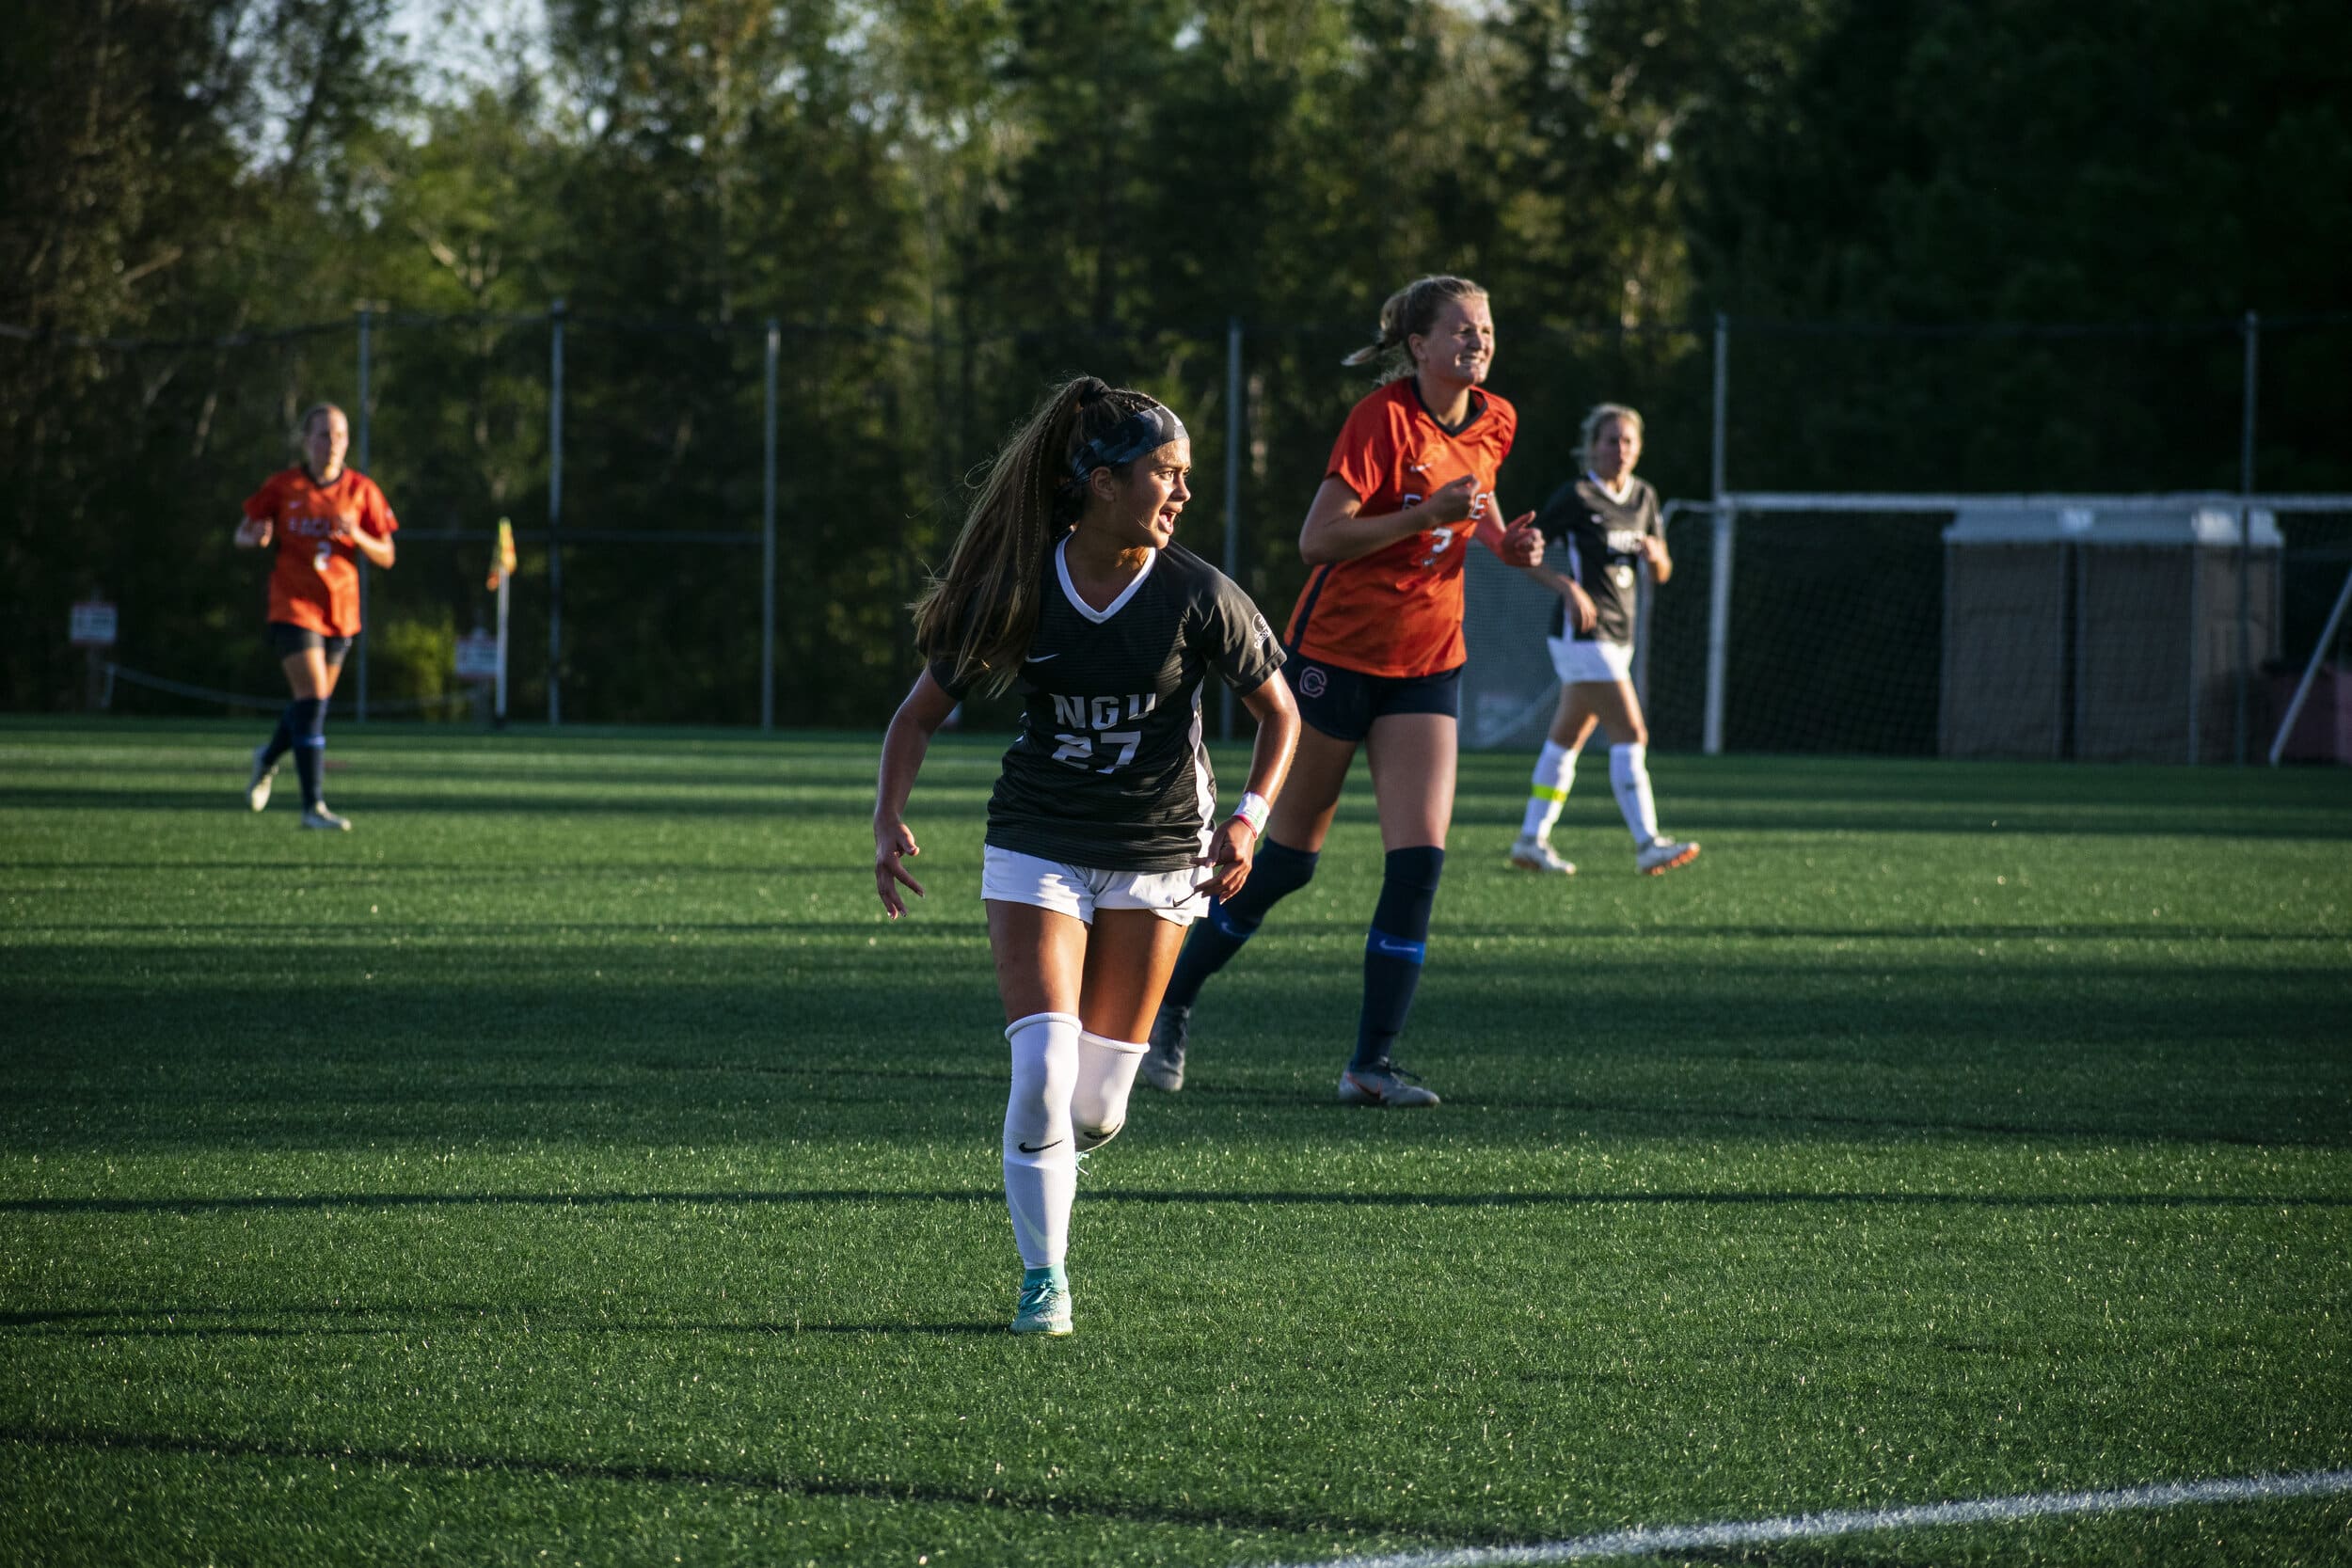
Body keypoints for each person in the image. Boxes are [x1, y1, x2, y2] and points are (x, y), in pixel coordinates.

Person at [872, 376, 1298, 1337]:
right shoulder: (1022, 585)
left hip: (1158, 856)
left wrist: (1249, 816)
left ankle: (1055, 1158)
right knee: (1041, 1069)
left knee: (1098, 1104)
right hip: (1037, 846)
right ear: (1103, 481)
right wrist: (886, 815)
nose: (1182, 491)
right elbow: (916, 715)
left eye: (1185, 475)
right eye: (1166, 471)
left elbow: (1282, 713)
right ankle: (1042, 1281)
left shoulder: (1197, 591)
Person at [1141, 274, 1545, 1109]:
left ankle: (1371, 1064)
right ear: (1420, 345)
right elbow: (1317, 539)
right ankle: (1169, 1000)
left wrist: (1507, 545)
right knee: (1286, 864)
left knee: (1419, 863)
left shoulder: (1496, 418)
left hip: (1429, 662)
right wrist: (1422, 515)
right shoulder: (1381, 420)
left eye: (1487, 331)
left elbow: (1483, 497)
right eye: (1462, 331)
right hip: (1336, 660)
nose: (1478, 342)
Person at [1507, 402, 1699, 877]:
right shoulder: (1575, 497)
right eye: (1610, 440)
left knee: (1565, 742)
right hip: (1581, 637)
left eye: (1628, 441)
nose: (1620, 449)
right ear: (1591, 447)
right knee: (1632, 733)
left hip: (1620, 635)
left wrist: (1657, 557)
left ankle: (1531, 840)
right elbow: (1521, 553)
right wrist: (1566, 586)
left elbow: (1664, 570)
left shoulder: (1644, 497)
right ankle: (1647, 842)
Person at [232, 403, 398, 831]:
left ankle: (267, 757)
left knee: (312, 705)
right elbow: (243, 532)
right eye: (323, 434)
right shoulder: (284, 486)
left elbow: (387, 555)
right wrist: (255, 538)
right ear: (306, 440)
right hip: (292, 606)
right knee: (312, 701)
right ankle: (313, 807)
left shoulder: (362, 490)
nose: (333, 443)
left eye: (340, 435)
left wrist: (356, 532)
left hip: (340, 610)